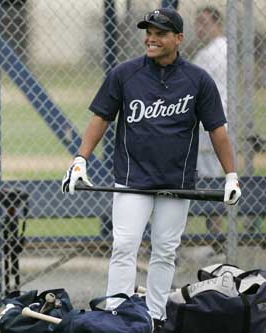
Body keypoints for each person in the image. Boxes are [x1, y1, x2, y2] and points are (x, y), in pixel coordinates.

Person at [61, 8, 241, 332]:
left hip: (176, 182)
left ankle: (154, 319)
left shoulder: (198, 80)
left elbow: (218, 129)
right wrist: (79, 160)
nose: (151, 38)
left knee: (165, 251)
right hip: (132, 179)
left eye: (160, 33)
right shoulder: (125, 74)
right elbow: (101, 117)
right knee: (125, 245)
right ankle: (115, 317)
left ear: (178, 39)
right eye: (149, 32)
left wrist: (231, 175)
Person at [193, 6, 227, 239]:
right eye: (198, 23)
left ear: (218, 24)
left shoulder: (212, 52)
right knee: (212, 176)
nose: (200, 28)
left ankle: (215, 237)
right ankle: (216, 236)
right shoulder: (224, 48)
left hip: (211, 124)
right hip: (217, 120)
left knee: (210, 179)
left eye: (205, 22)